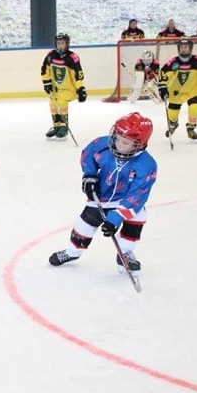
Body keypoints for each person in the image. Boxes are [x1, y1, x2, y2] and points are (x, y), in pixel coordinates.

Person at [48, 112, 157, 276]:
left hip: (125, 200)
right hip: (101, 195)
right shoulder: (102, 144)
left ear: (139, 144)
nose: (119, 144)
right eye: (117, 138)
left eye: (126, 142)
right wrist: (89, 176)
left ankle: (125, 253)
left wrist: (116, 217)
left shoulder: (146, 165)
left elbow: (138, 194)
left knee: (138, 216)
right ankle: (72, 252)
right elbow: (88, 154)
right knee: (84, 224)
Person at [40, 32, 87, 140]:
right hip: (56, 88)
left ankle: (64, 127)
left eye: (63, 43)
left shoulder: (72, 57)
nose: (60, 45)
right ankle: (56, 126)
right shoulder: (50, 55)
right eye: (58, 43)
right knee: (52, 104)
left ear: (67, 44)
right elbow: (44, 70)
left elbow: (78, 75)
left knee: (61, 103)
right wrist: (47, 83)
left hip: (68, 89)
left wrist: (80, 88)